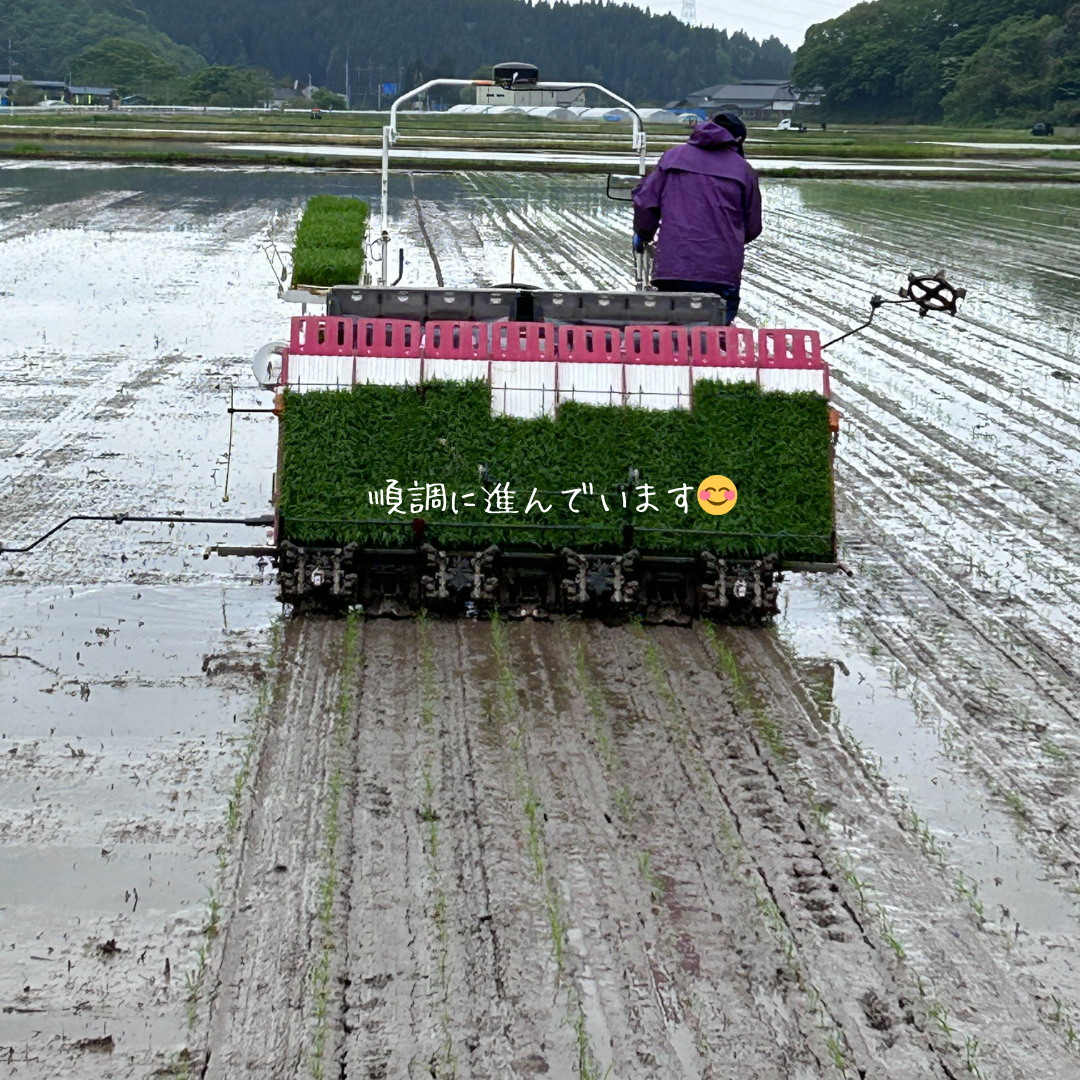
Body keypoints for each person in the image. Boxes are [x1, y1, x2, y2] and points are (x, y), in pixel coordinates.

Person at [632, 112, 761, 325]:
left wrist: (643, 233)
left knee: (672, 337)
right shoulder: (743, 170)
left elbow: (646, 202)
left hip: (673, 268)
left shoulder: (673, 157)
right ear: (737, 140)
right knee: (715, 338)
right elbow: (753, 226)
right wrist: (727, 240)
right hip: (721, 273)